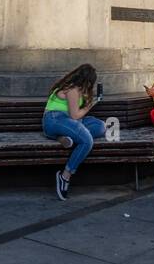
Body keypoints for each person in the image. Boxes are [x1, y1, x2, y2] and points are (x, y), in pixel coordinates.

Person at [43, 63, 108, 200]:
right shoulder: (72, 89)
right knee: (86, 140)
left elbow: (76, 117)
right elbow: (75, 115)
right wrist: (89, 105)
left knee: (101, 126)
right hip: (55, 119)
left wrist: (87, 102)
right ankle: (65, 176)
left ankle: (64, 136)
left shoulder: (78, 89)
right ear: (87, 80)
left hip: (68, 122)